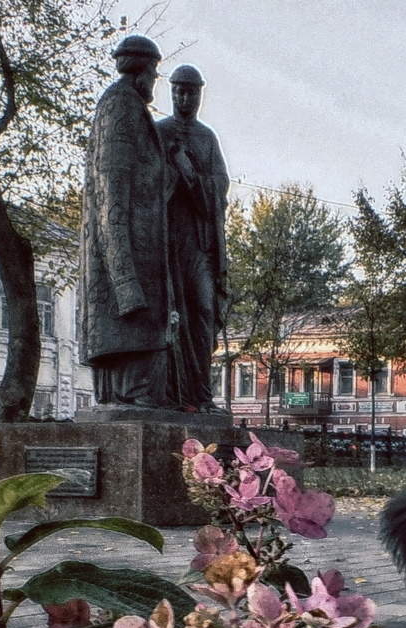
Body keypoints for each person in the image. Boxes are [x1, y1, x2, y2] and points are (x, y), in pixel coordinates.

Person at [78, 34, 175, 407]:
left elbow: (147, 181)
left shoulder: (129, 105)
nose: (153, 82)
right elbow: (112, 188)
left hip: (142, 243)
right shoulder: (120, 106)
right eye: (153, 73)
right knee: (134, 335)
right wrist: (126, 282)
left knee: (144, 336)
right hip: (129, 247)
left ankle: (134, 394)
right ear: (141, 71)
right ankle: (129, 393)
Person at [156, 64, 229, 413]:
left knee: (202, 309)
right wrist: (173, 170)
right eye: (178, 91)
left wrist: (192, 174)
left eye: (190, 91)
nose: (184, 97)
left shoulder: (206, 137)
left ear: (199, 94)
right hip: (167, 242)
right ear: (170, 93)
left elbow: (220, 187)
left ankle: (200, 392)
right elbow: (147, 184)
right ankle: (168, 390)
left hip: (199, 242)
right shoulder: (159, 132)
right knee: (169, 314)